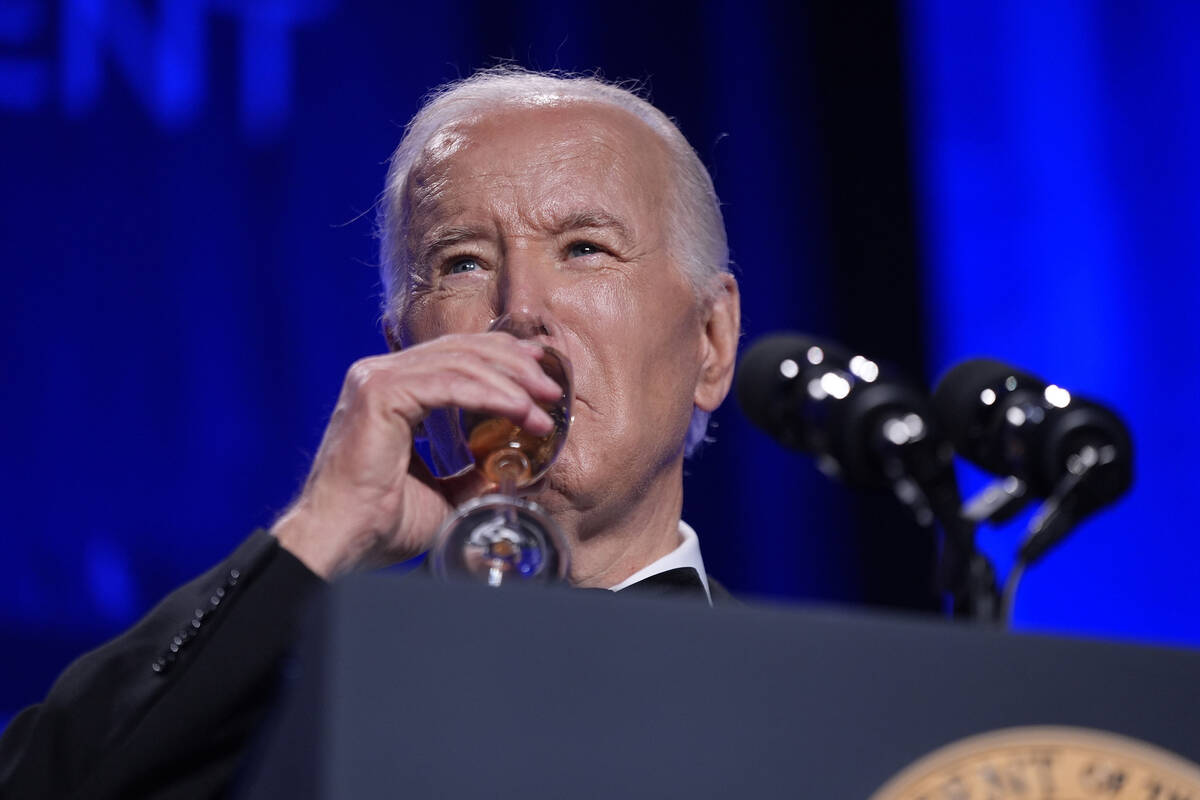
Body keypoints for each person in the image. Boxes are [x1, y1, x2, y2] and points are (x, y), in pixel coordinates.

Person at [0, 67, 741, 798]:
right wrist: (321, 533)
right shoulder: (265, 697)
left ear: (711, 340)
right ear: (405, 355)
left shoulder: (840, 727)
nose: (519, 311)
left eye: (584, 249)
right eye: (462, 263)